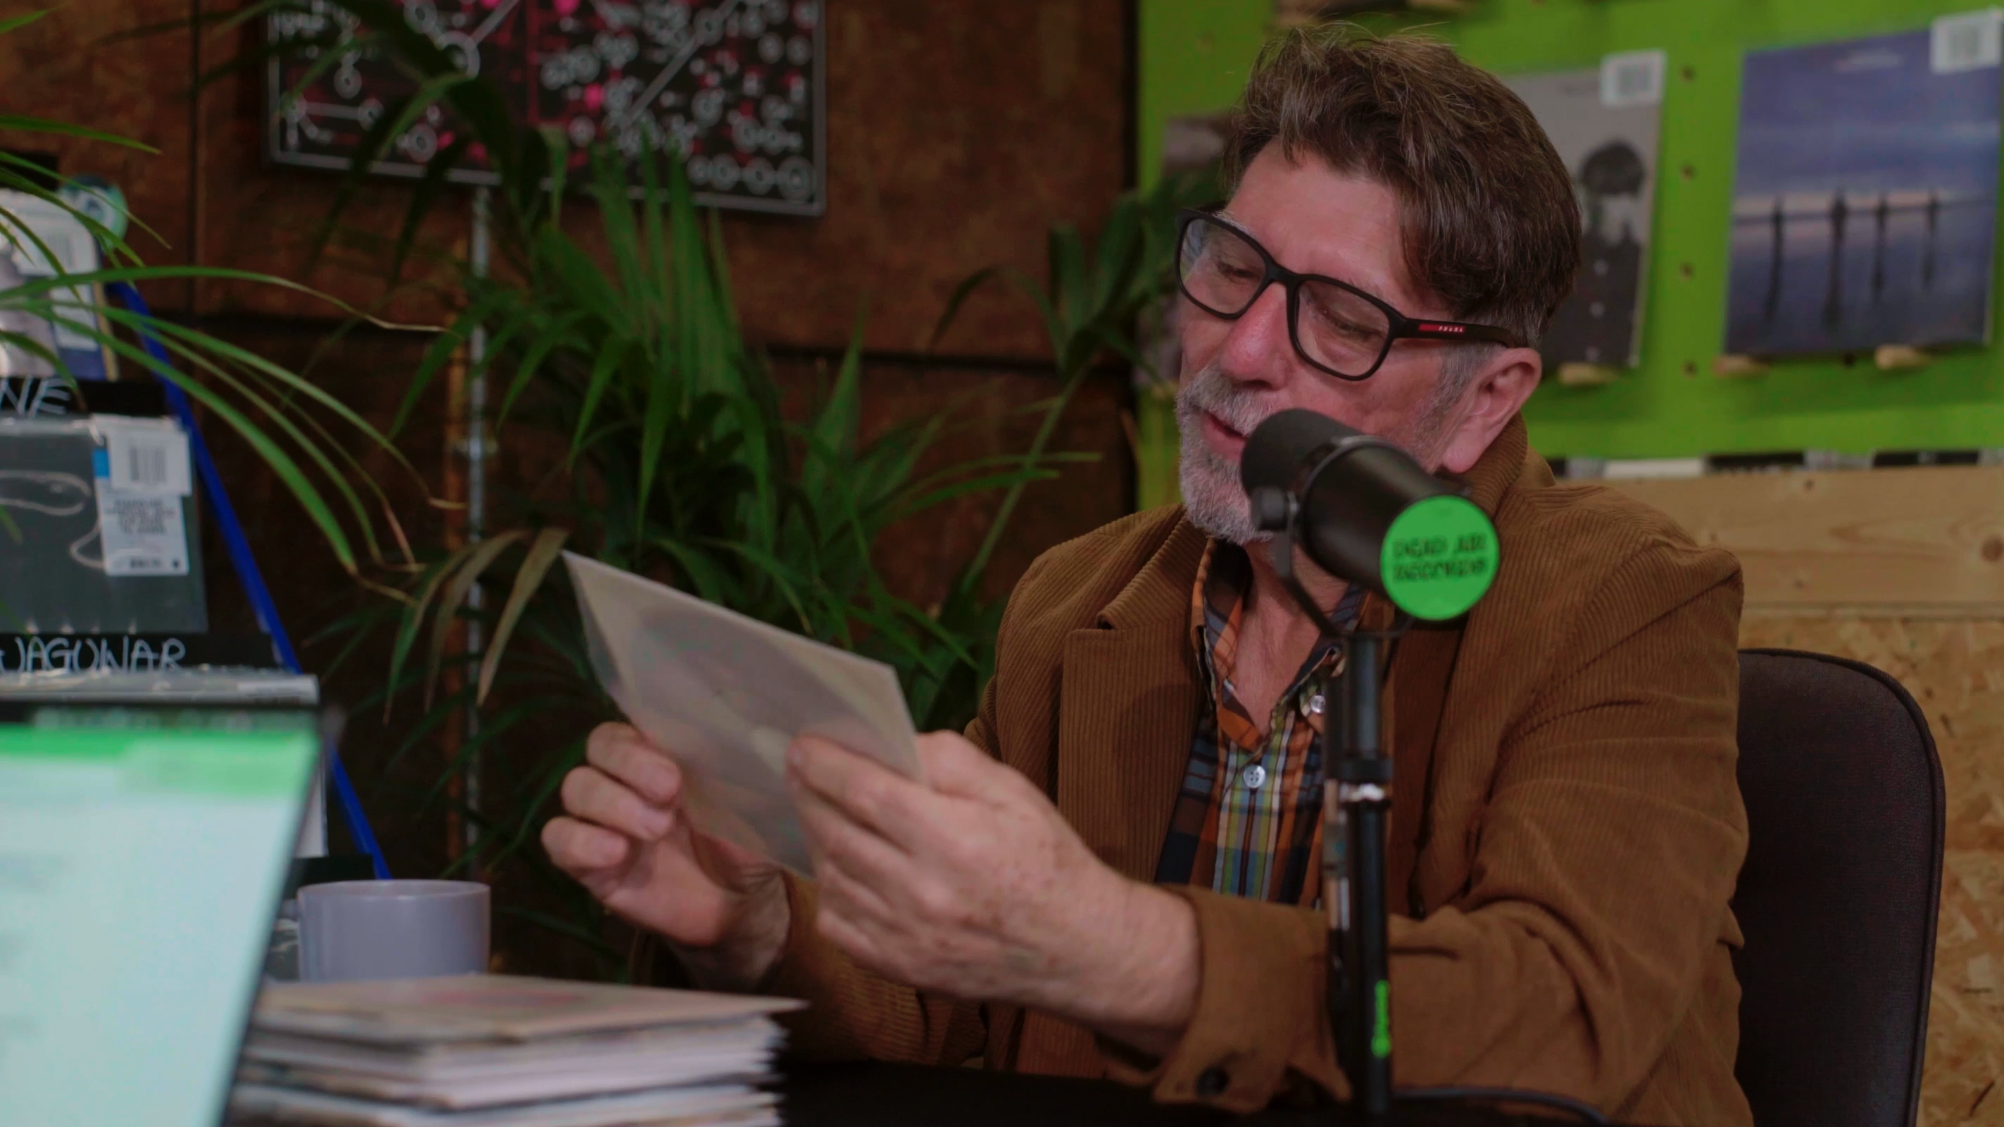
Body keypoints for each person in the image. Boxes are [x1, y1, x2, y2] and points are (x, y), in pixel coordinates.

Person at [543, 25, 1748, 1125]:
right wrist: (754, 923)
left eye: (1341, 320)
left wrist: (1108, 942)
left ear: (1486, 397)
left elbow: (1563, 1013)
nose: (1244, 348)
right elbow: (936, 1004)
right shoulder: (1079, 600)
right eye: (1231, 266)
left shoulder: (1624, 597)